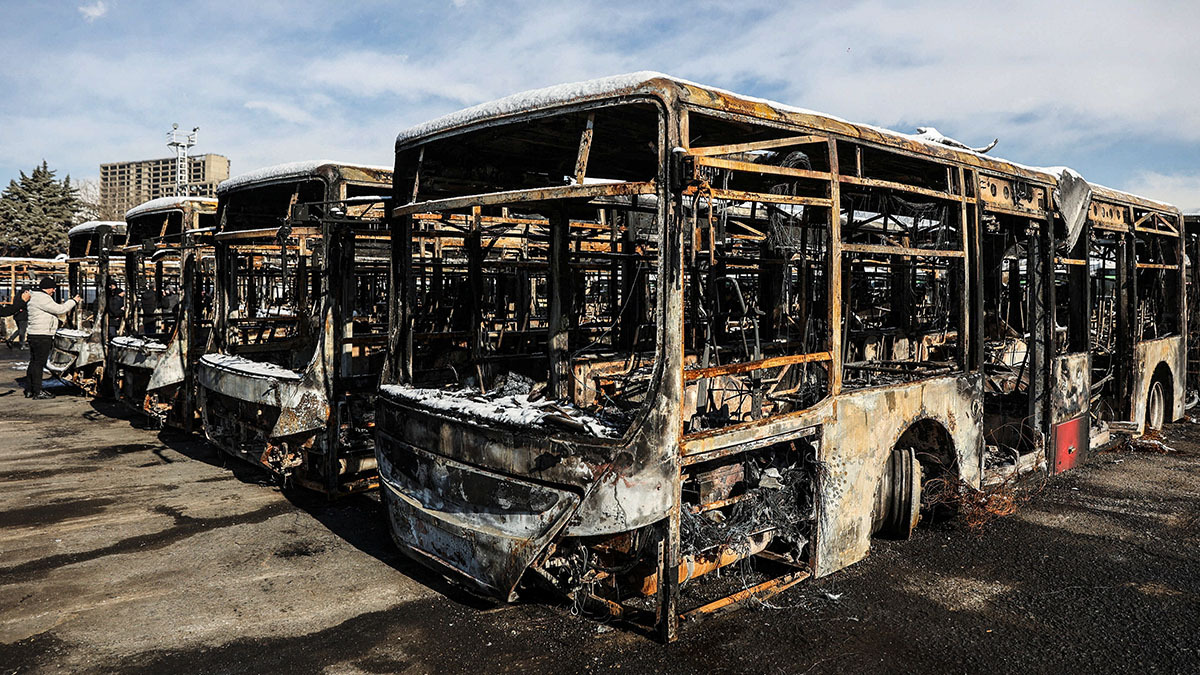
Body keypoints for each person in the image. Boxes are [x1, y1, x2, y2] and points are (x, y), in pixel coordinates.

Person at [25, 276, 81, 399]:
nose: (54, 291)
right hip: (42, 335)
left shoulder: (35, 297)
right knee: (39, 363)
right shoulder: (42, 298)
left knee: (34, 362)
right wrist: (73, 301)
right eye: (53, 288)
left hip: (34, 334)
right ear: (47, 288)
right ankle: (38, 391)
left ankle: (30, 389)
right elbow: (60, 309)